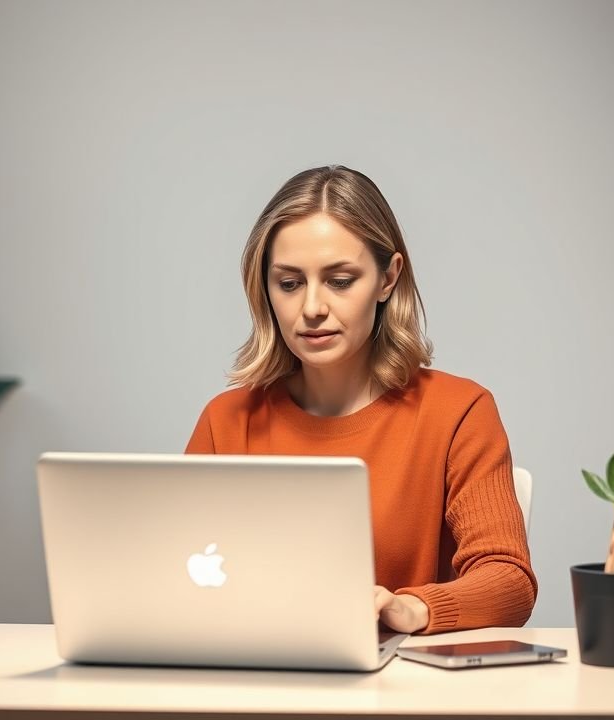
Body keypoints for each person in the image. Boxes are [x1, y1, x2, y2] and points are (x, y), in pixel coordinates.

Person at [185, 165, 536, 634]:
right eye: (289, 283)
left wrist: (409, 609)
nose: (311, 308)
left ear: (388, 279)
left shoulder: (459, 412)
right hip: (253, 681)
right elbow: (177, 575)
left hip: (403, 693)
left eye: (341, 280)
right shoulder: (226, 420)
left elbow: (508, 581)